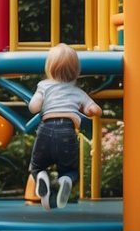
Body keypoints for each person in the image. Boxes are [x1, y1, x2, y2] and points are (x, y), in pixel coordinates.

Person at [28, 43, 102, 209]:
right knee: (70, 170)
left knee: (37, 166)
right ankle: (65, 180)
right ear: (76, 71)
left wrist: (39, 102)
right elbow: (94, 110)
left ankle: (41, 177)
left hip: (45, 131)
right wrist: (89, 110)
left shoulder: (44, 86)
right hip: (67, 132)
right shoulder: (77, 92)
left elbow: (34, 107)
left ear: (49, 68)